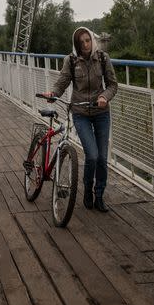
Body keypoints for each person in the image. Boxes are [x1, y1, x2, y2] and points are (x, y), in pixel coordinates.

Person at [42, 27, 117, 212]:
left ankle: (99, 195)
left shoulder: (103, 58)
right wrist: (53, 93)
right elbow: (63, 81)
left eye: (87, 40)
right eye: (81, 42)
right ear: (76, 44)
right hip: (80, 112)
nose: (85, 44)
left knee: (102, 158)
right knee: (92, 155)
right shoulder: (71, 60)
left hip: (101, 113)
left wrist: (104, 97)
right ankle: (87, 191)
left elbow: (113, 85)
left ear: (92, 39)